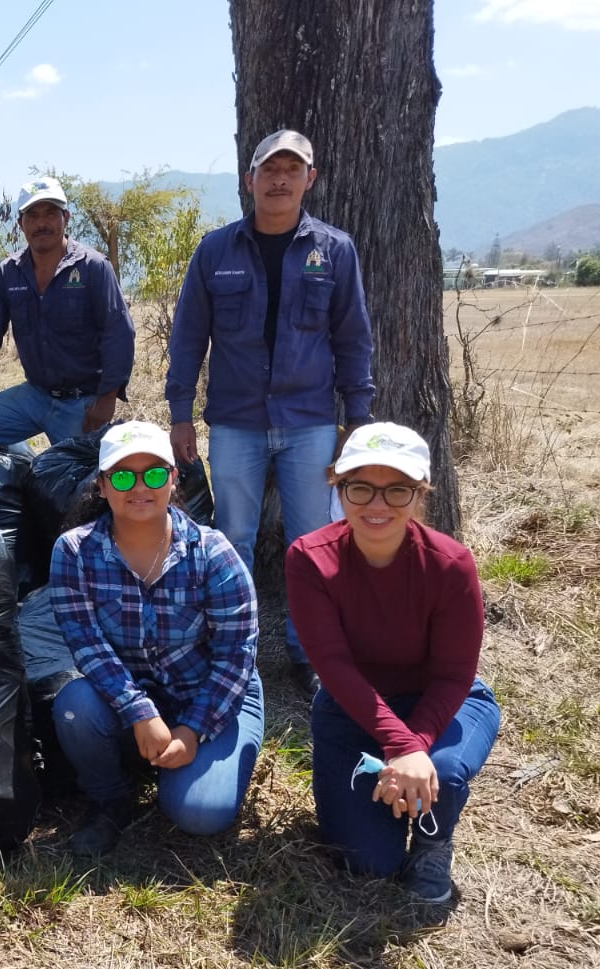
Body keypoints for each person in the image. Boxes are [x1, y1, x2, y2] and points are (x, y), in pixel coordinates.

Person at [165, 129, 375, 696]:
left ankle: (309, 657)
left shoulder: (335, 251)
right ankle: (237, 652)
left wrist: (358, 418)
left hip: (309, 421)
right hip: (235, 422)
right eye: (269, 169)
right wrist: (179, 411)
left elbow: (353, 338)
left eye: (292, 169)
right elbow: (188, 337)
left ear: (310, 179)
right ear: (249, 180)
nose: (279, 179)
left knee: (311, 541)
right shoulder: (215, 251)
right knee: (233, 537)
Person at [286, 422, 499, 904]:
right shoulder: (308, 559)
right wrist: (399, 745)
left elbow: (452, 674)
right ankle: (396, 790)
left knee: (440, 770)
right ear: (338, 488)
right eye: (360, 487)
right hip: (352, 708)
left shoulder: (451, 563)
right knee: (366, 863)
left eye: (397, 490)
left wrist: (411, 748)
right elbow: (333, 666)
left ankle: (432, 842)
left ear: (419, 494)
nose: (376, 505)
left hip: (445, 703)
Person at [49, 421, 263, 855]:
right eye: (123, 476)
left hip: (211, 696)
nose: (139, 487)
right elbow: (87, 645)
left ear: (173, 479)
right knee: (74, 707)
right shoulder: (74, 553)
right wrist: (139, 712)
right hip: (128, 694)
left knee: (201, 814)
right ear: (103, 487)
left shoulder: (213, 552)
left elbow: (235, 656)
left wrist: (192, 730)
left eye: (154, 473)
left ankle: (181, 762)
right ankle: (110, 799)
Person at [0, 176, 135, 451]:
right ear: (20, 224)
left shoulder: (93, 267)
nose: (42, 223)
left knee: (77, 481)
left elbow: (118, 333)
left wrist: (107, 398)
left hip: (82, 402)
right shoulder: (9, 273)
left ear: (65, 217)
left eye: (50, 213)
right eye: (33, 215)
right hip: (34, 395)